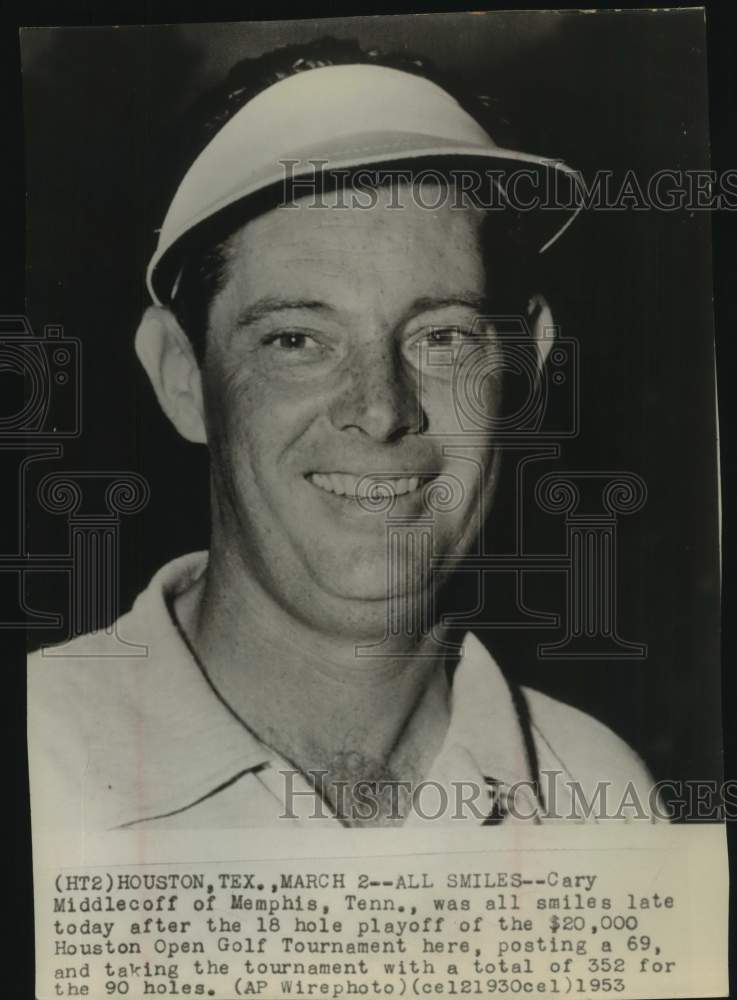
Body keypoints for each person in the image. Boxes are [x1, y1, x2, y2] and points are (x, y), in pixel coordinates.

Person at [27, 40, 662, 832]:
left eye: (441, 336)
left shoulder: (605, 803)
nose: (381, 409)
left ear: (525, 366)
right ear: (182, 377)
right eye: (296, 340)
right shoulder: (37, 758)